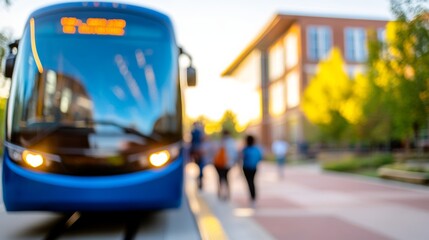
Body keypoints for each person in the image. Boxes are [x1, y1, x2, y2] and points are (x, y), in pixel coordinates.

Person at [213, 129, 238, 200]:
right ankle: (227, 193)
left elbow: (215, 153)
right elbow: (234, 153)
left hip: (220, 164)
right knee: (226, 178)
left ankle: (220, 192)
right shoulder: (232, 142)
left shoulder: (221, 141)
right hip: (228, 164)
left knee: (221, 178)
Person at [241, 135, 263, 207]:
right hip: (254, 168)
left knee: (249, 183)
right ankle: (253, 198)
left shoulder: (245, 149)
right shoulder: (257, 149)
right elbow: (260, 158)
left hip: (247, 168)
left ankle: (252, 197)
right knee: (252, 182)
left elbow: (242, 158)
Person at [190, 122, 205, 189]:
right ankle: (200, 177)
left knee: (199, 165)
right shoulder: (200, 132)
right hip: (198, 150)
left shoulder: (194, 132)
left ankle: (200, 177)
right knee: (200, 165)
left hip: (196, 150)